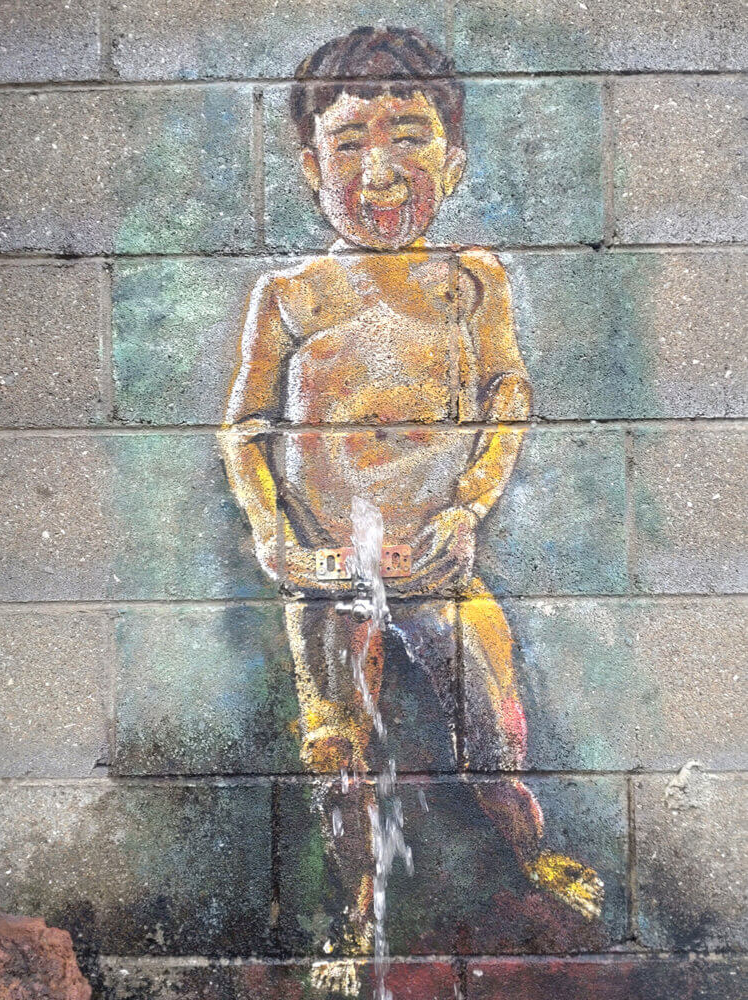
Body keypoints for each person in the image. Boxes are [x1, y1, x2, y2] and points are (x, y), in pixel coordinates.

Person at [221, 24, 602, 972]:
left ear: (454, 161)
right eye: (350, 143)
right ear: (312, 168)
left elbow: (506, 396)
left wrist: (468, 509)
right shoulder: (292, 295)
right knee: (335, 758)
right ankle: (356, 914)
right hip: (326, 571)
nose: (381, 170)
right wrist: (274, 536)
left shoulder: (472, 283)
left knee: (495, 739)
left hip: (440, 562)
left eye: (408, 137)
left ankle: (533, 853)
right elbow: (245, 429)